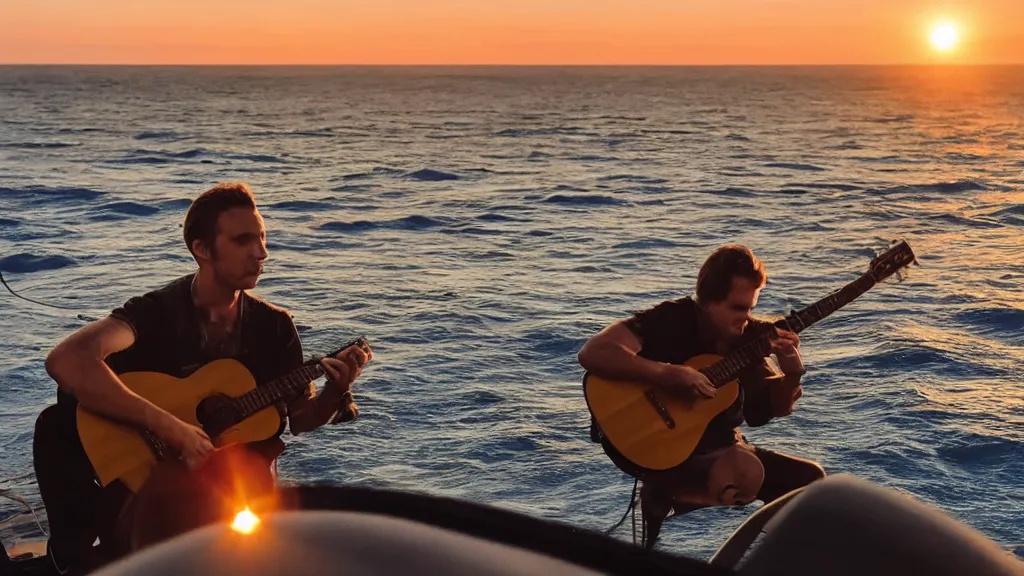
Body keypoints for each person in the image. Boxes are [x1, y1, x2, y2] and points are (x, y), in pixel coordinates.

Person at [32, 182, 372, 574]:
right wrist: (169, 426)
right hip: (154, 464)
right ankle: (71, 557)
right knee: (56, 425)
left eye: (262, 238)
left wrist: (336, 391)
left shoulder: (274, 327)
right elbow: (68, 360)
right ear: (202, 249)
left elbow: (299, 419)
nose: (262, 253)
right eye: (244, 240)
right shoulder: (157, 311)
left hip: (233, 472)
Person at [578, 244, 825, 548]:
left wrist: (792, 370)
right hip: (659, 444)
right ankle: (660, 502)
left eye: (750, 308)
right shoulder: (672, 319)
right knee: (719, 473)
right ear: (708, 302)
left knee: (809, 481)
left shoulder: (750, 338)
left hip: (719, 446)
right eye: (737, 308)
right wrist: (667, 374)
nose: (746, 318)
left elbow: (772, 409)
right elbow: (594, 352)